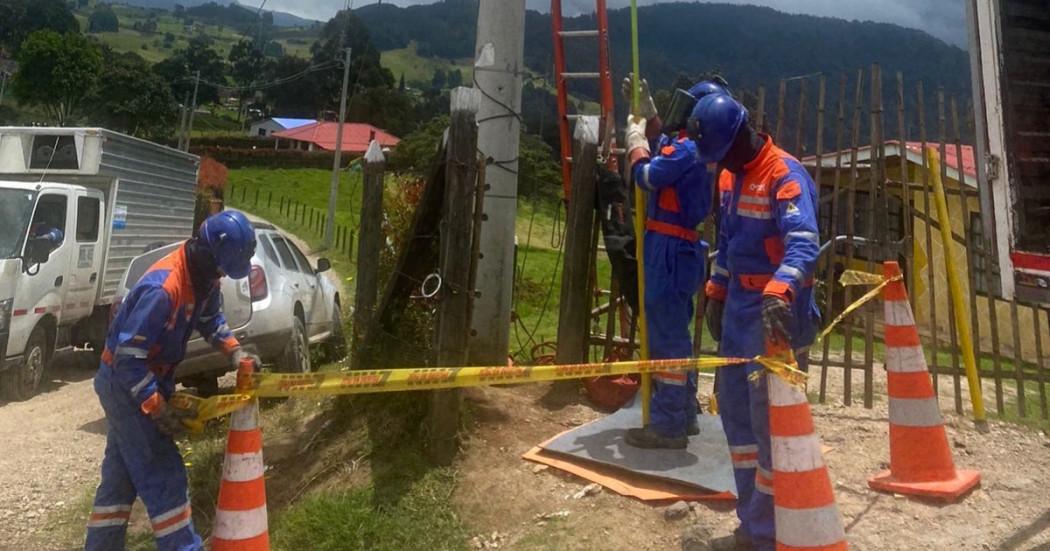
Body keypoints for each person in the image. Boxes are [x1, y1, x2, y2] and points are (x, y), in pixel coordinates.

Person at [85, 210, 260, 551]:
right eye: (222, 267)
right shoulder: (163, 290)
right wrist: (156, 406)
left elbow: (210, 319)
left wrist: (235, 352)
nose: (223, 274)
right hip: (125, 384)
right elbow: (127, 360)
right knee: (164, 474)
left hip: (144, 378)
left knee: (119, 485)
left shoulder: (205, 275)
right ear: (208, 253)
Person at [693, 94, 821, 550]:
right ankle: (752, 525)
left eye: (723, 153)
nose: (720, 163)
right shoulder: (729, 176)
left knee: (771, 427)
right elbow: (725, 242)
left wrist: (780, 289)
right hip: (741, 308)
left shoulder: (784, 175)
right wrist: (716, 290)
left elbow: (804, 244)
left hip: (777, 314)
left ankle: (772, 535)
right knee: (737, 417)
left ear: (742, 135)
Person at [620, 76, 729, 449]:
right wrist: (647, 116)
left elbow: (648, 175)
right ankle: (684, 412)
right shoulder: (694, 148)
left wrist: (634, 144)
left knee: (666, 338)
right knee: (677, 335)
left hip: (668, 247)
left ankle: (667, 425)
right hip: (682, 248)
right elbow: (662, 142)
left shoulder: (688, 150)